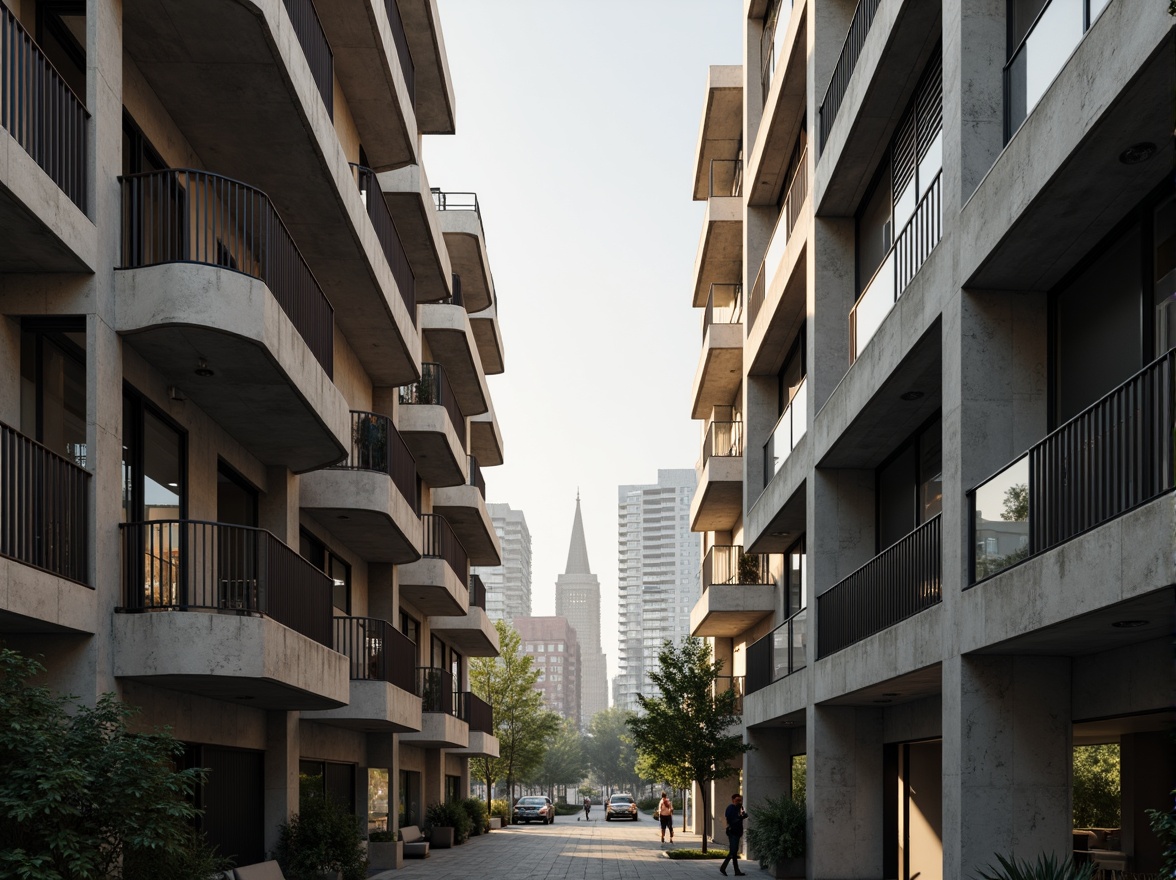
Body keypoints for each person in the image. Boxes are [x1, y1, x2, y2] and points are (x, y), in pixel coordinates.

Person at [719, 793, 747, 876]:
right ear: (733, 800)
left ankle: (737, 871)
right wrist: (740, 817)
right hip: (732, 832)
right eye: (737, 800)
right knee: (733, 851)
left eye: (740, 800)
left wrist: (742, 815)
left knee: (734, 853)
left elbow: (739, 818)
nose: (739, 802)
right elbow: (730, 820)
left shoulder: (739, 809)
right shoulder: (731, 808)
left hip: (737, 832)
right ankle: (723, 867)